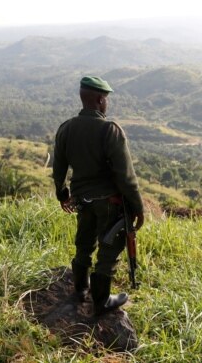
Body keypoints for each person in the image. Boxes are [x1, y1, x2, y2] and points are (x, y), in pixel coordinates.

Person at [52, 76, 145, 315]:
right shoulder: (110, 130)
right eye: (107, 100)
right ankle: (101, 301)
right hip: (109, 202)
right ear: (101, 99)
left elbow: (59, 168)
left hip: (82, 200)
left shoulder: (66, 128)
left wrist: (63, 195)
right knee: (108, 250)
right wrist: (138, 207)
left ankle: (81, 290)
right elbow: (126, 176)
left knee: (83, 245)